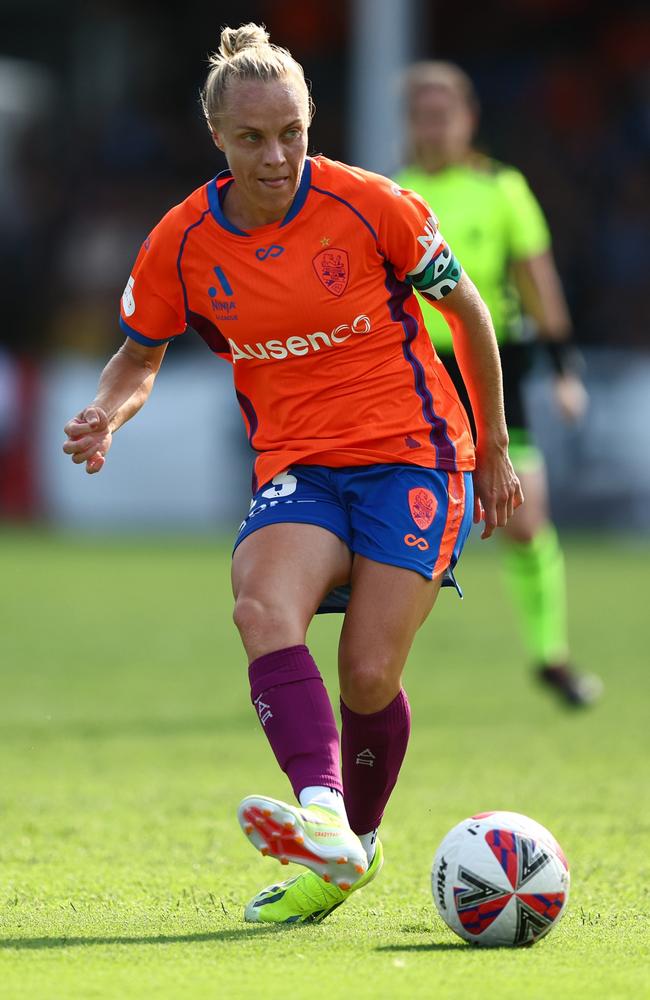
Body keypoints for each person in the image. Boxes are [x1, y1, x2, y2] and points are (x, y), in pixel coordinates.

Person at [63, 25, 522, 925]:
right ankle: (322, 816)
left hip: (415, 455)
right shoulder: (184, 240)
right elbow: (138, 356)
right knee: (259, 605)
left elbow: (467, 312)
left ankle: (358, 841)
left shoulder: (372, 205)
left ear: (312, 125)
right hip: (302, 467)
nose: (276, 157)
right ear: (218, 138)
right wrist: (104, 414)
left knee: (367, 677)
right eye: (252, 138)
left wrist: (496, 447)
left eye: (292, 134)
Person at [396, 61, 602, 707]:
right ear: (411, 124)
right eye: (423, 115)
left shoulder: (501, 188)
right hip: (415, 374)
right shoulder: (391, 193)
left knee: (523, 519)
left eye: (444, 114)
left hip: (490, 369)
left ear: (468, 120)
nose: (434, 126)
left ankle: (550, 657)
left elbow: (537, 279)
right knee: (406, 523)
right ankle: (381, 665)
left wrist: (565, 366)